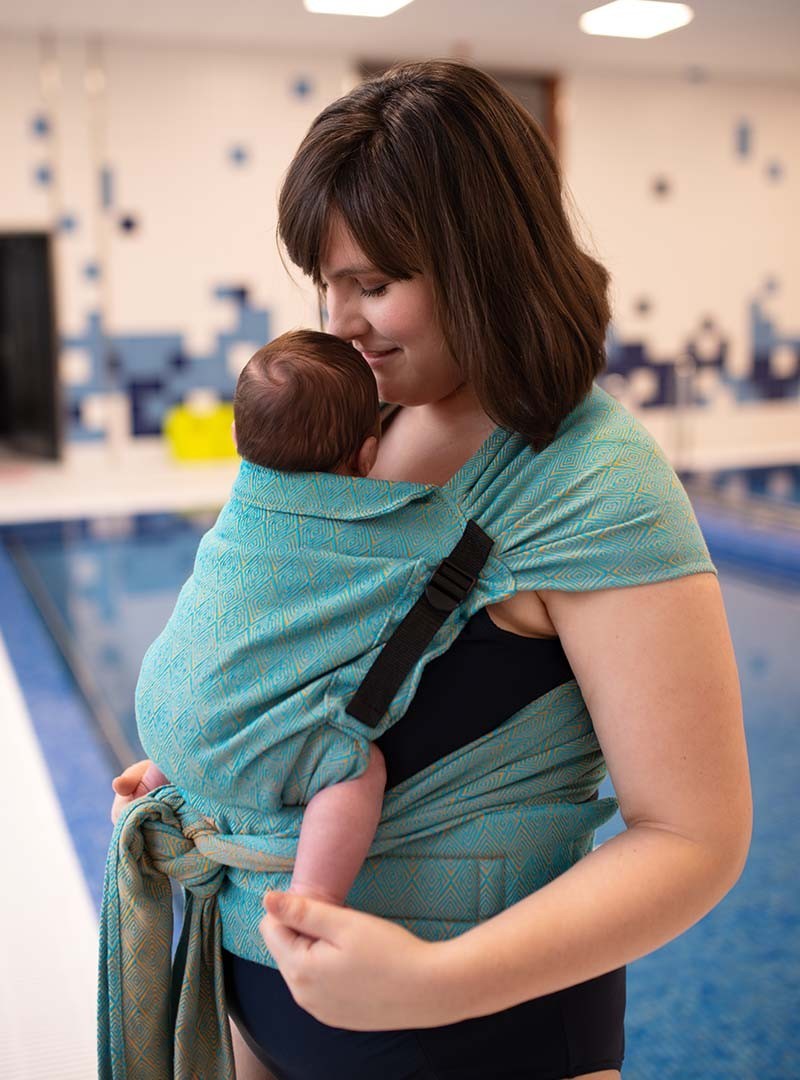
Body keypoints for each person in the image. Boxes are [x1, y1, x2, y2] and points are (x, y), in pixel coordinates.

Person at [112, 60, 751, 1080]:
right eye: (325, 282)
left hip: (489, 1039)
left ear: (486, 263)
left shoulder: (593, 485)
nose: (340, 319)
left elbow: (693, 837)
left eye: (374, 284)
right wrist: (213, 770)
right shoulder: (351, 430)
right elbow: (288, 671)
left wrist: (430, 983)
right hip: (258, 1011)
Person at [116, 328, 388, 915]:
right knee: (357, 770)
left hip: (159, 703)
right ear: (368, 456)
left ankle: (162, 783)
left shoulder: (240, 508)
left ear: (238, 439)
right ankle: (312, 898)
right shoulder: (379, 531)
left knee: (221, 662)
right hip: (230, 742)